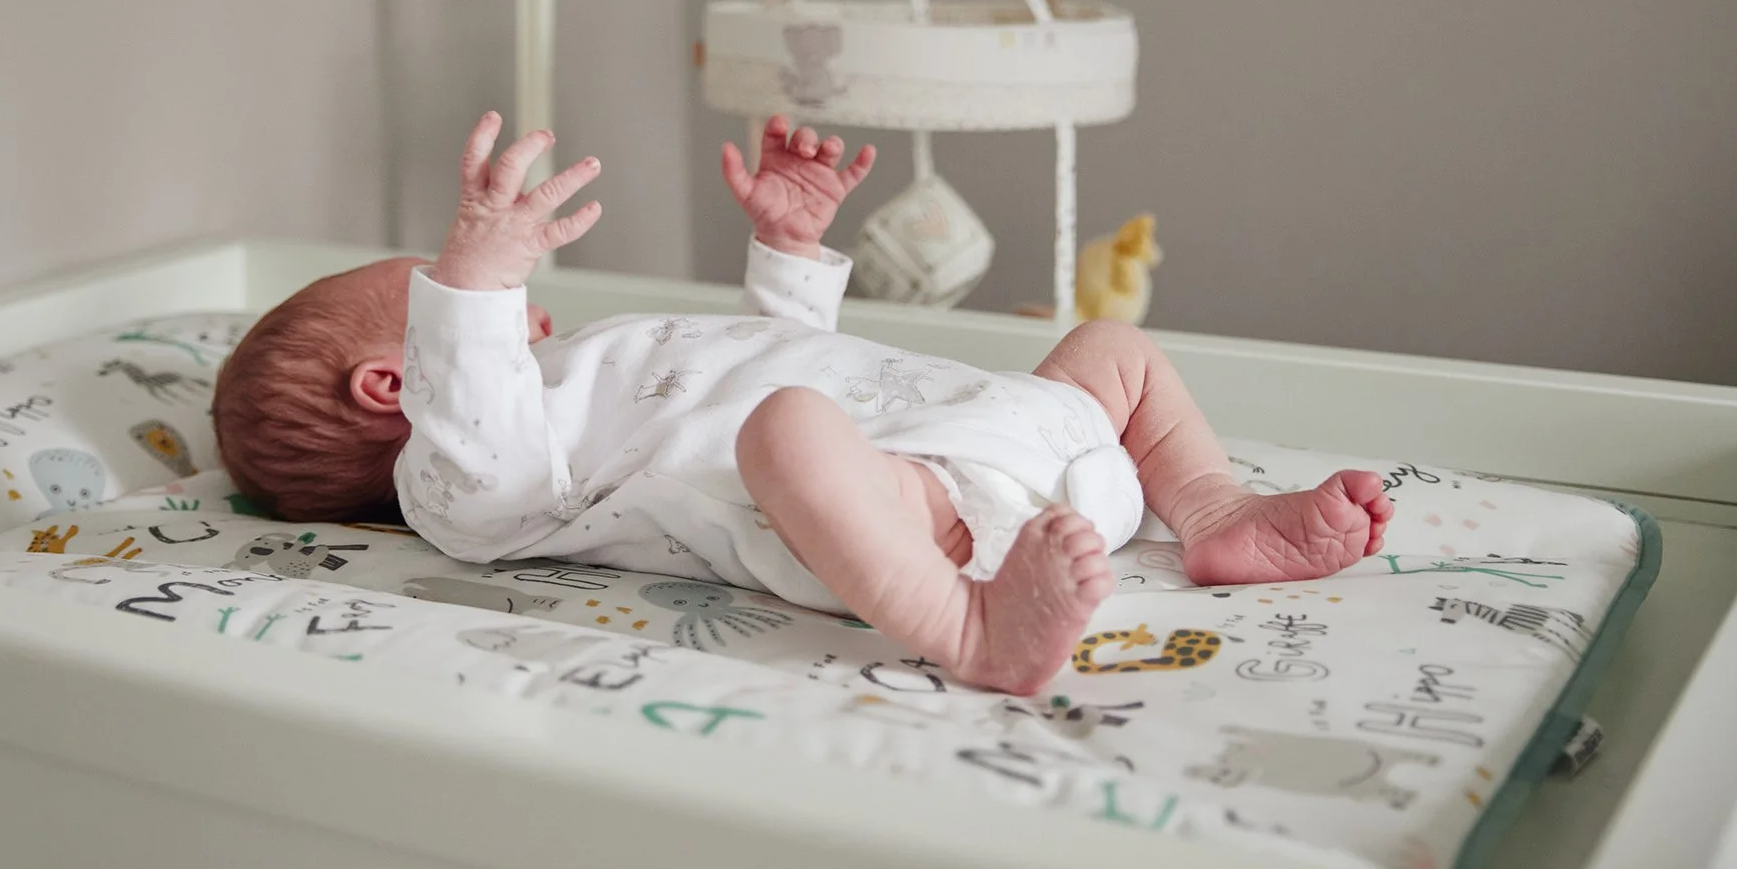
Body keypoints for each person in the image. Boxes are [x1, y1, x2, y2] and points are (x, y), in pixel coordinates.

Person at [212, 112, 1392, 693]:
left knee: (1110, 346)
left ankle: (1211, 505)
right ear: (398, 382)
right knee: (784, 428)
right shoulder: (467, 478)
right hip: (900, 507)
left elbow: (773, 362)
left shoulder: (581, 374)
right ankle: (966, 626)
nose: (504, 307)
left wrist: (788, 249)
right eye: (426, 309)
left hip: (988, 435)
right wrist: (470, 274)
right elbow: (766, 411)